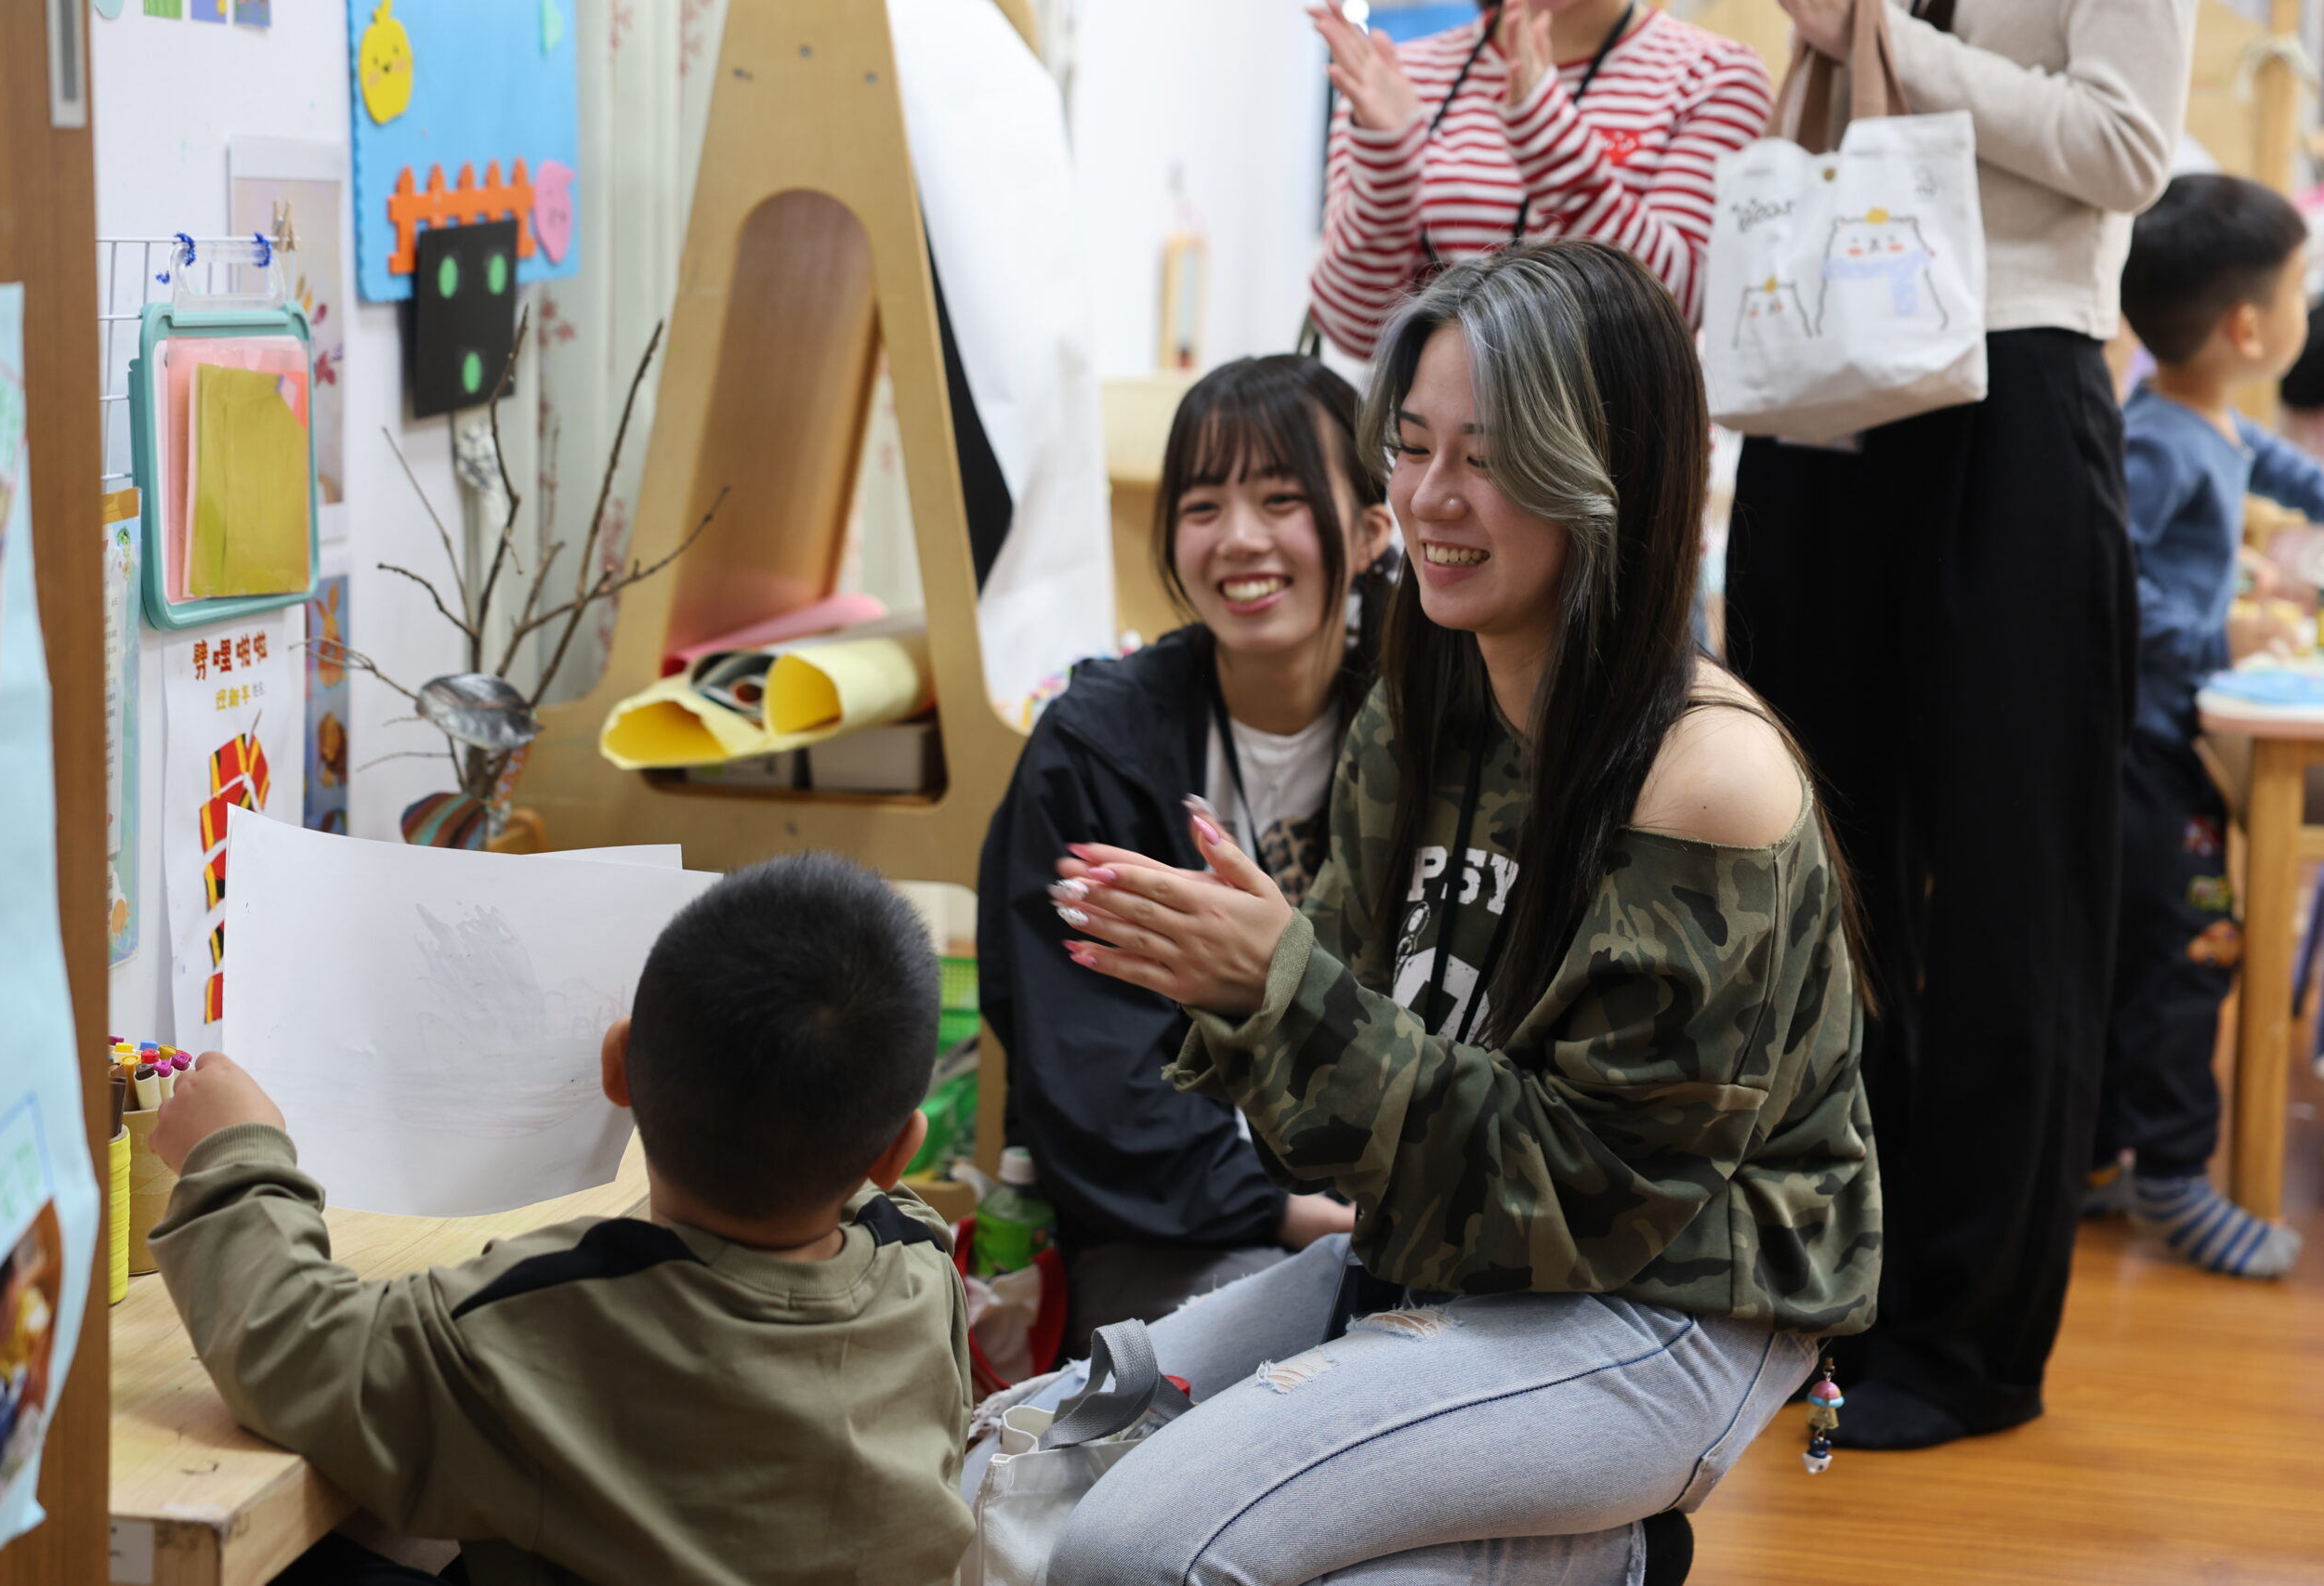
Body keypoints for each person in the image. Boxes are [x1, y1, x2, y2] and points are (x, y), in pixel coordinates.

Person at [1004, 242, 1876, 1585]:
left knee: (1130, 1553)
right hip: (1447, 1244)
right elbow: (1334, 1130)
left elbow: (1593, 1201)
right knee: (1018, 1476)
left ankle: (1603, 1553)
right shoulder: (1421, 701)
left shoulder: (1709, 775)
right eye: (1411, 448)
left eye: (1492, 455)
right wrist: (1260, 995)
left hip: (1667, 1297)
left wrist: (1282, 992)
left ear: (1610, 476)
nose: (1429, 498)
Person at [1727, 0, 2196, 1449]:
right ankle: (1836, 1286)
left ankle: (1971, 1335)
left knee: (2012, 885)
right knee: (1819, 868)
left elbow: (2126, 147)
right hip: (1823, 375)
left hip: (2014, 378)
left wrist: (1883, 39)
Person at [147, 854, 974, 1586]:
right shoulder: (923, 1270)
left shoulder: (550, 1316)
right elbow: (870, 1192)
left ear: (615, 1066)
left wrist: (234, 1151)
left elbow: (293, 1345)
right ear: (899, 1151)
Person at [978, 355, 1394, 1346]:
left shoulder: (1438, 728)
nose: (1239, 538)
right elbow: (1086, 1073)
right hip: (1175, 1222)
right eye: (1203, 506)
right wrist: (1293, 1213)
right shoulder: (1093, 752)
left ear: (1372, 531)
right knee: (1285, 1349)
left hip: (1405, 1194)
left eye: (1281, 499)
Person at [2091, 174, 2313, 1279]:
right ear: (2245, 328)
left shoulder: (2205, 416)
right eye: (2299, 288)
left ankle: (2096, 1162)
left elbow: (2274, 467)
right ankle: (2173, 1175)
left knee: (2136, 957)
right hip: (2141, 752)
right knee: (2188, 958)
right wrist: (2221, 632)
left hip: (2167, 742)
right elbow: (2111, 585)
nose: (2305, 306)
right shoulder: (2159, 441)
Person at [1304, 0, 1770, 357]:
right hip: (1435, 443)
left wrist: (1552, 146)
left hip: (1613, 442)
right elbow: (1355, 330)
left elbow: (1674, 313)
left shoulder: (1715, 74)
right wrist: (1387, 164)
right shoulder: (1401, 73)